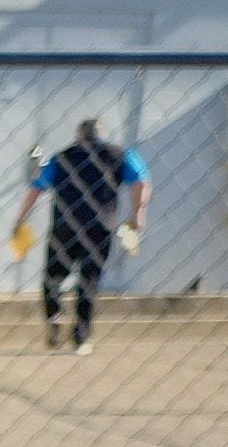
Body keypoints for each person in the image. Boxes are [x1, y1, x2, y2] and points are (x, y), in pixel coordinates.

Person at [14, 118, 151, 353]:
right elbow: (142, 181)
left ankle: (55, 316)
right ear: (101, 133)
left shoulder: (60, 158)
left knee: (53, 276)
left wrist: (21, 219)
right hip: (101, 226)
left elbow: (35, 189)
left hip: (64, 227)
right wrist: (137, 214)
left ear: (79, 135)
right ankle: (81, 336)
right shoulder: (121, 155)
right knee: (89, 279)